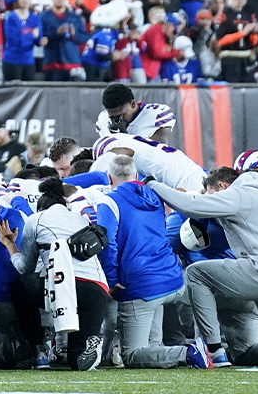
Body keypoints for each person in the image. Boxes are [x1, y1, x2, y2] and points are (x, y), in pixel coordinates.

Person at [145, 167, 258, 367]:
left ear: (222, 186)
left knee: (196, 273)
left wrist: (152, 183)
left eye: (210, 193)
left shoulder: (240, 194)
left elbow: (190, 205)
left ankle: (214, 351)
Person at [97, 155, 211, 369]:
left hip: (141, 284)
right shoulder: (155, 196)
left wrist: (111, 279)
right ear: (137, 175)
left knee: (131, 354)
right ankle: (182, 353)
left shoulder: (109, 200)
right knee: (152, 345)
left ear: (109, 178)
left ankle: (188, 352)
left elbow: (108, 244)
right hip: (172, 278)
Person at [0, 176, 109, 371]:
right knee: (77, 361)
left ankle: (39, 350)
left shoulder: (36, 219)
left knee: (21, 287)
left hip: (62, 285)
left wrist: (9, 244)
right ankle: (90, 348)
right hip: (96, 287)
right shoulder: (82, 218)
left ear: (41, 206)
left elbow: (24, 268)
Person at [95, 83, 176, 144]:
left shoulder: (156, 114)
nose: (116, 122)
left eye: (120, 116)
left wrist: (123, 137)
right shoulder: (103, 118)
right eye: (112, 118)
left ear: (132, 104)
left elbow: (159, 151)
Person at [40, 0, 88, 82]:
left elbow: (85, 38)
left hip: (72, 62)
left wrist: (74, 35)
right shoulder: (44, 17)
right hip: (52, 63)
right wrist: (56, 34)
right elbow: (42, 39)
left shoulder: (75, 17)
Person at [3, 0, 44, 81]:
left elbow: (37, 39)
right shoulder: (11, 17)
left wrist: (41, 41)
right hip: (12, 60)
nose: (26, 0)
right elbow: (15, 40)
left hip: (29, 61)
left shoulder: (35, 18)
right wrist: (31, 35)